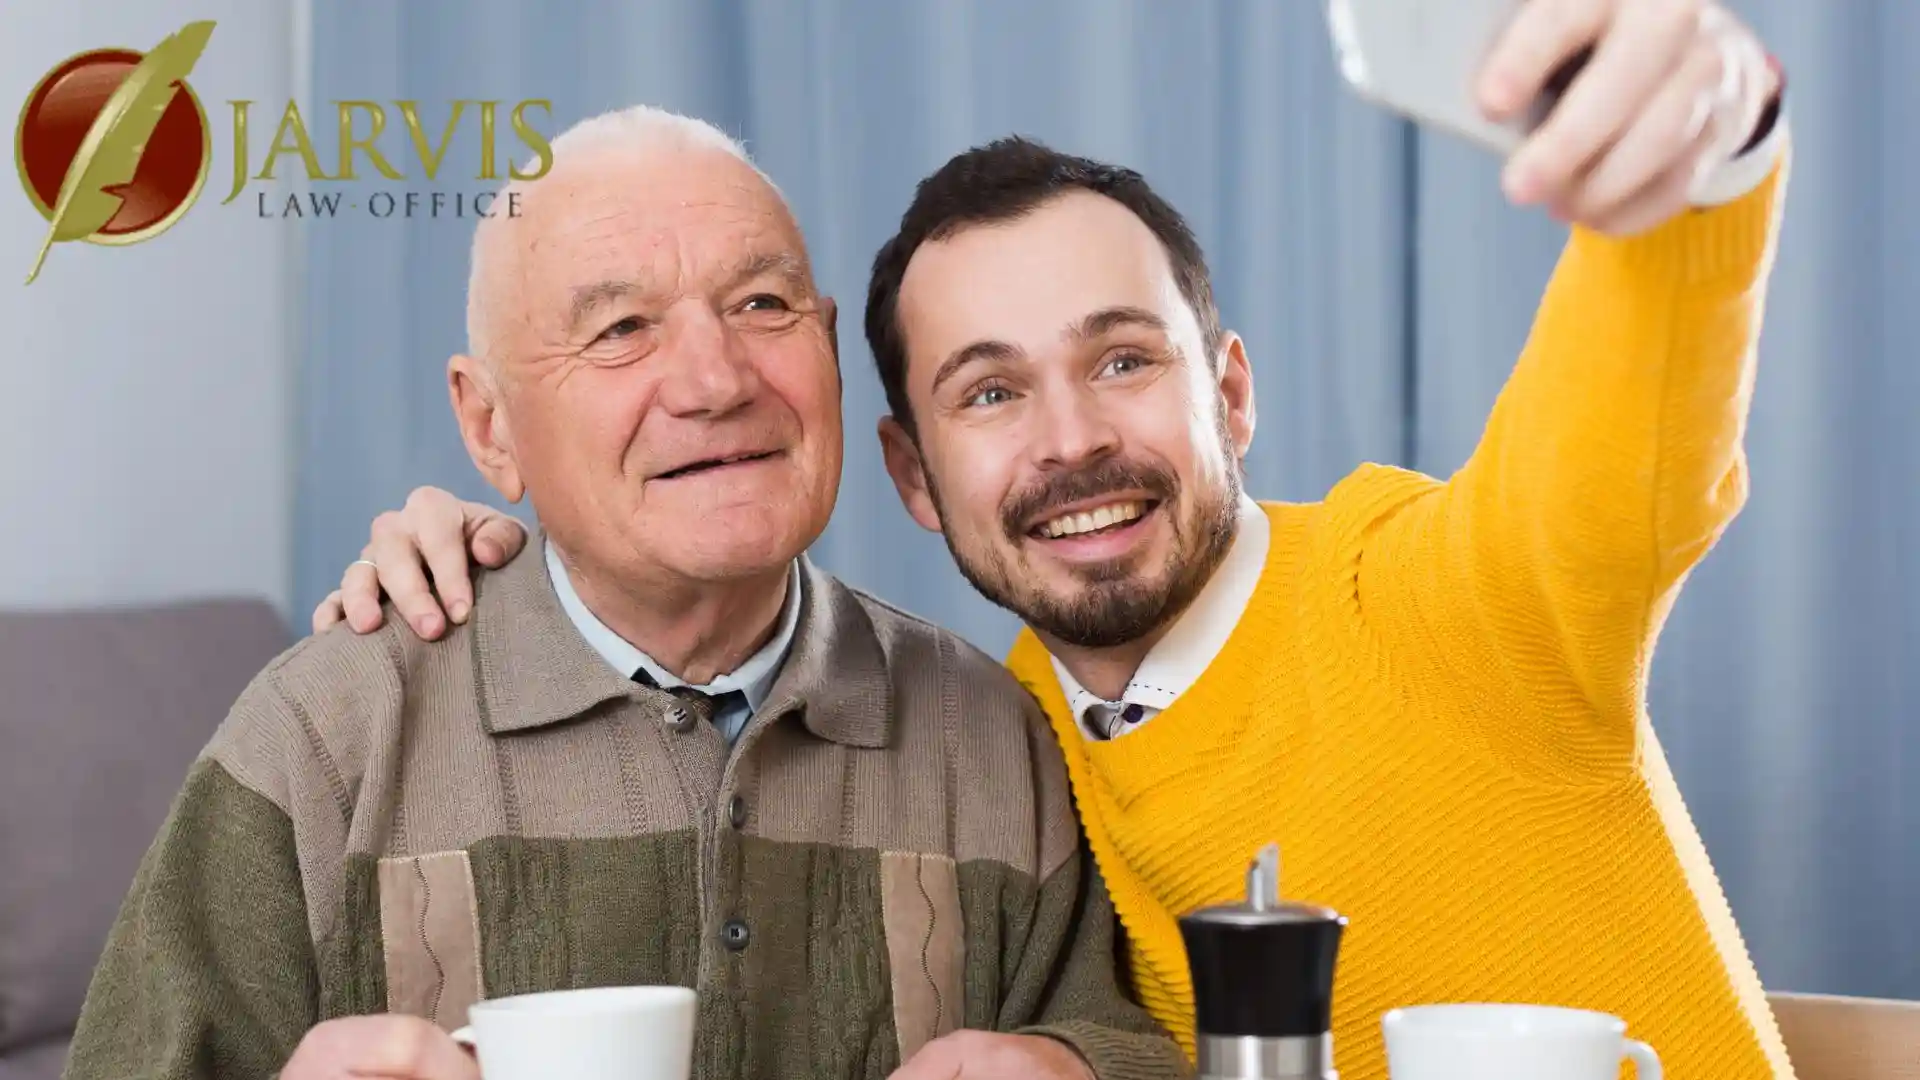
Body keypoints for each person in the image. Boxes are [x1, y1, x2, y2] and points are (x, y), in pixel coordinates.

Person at [320, 3, 1798, 1077]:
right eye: (989, 391)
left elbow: (1630, 436)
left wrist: (1718, 138)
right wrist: (512, 549)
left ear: (1231, 391)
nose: (1070, 441)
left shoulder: (1441, 597)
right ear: (911, 472)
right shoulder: (997, 742)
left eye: (1123, 360)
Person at [64, 108, 1185, 1080]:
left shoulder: (994, 738)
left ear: (832, 353)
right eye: (621, 329)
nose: (714, 381)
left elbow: (1136, 1039)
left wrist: (1078, 1063)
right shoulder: (324, 741)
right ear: (488, 425)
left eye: (760, 305)